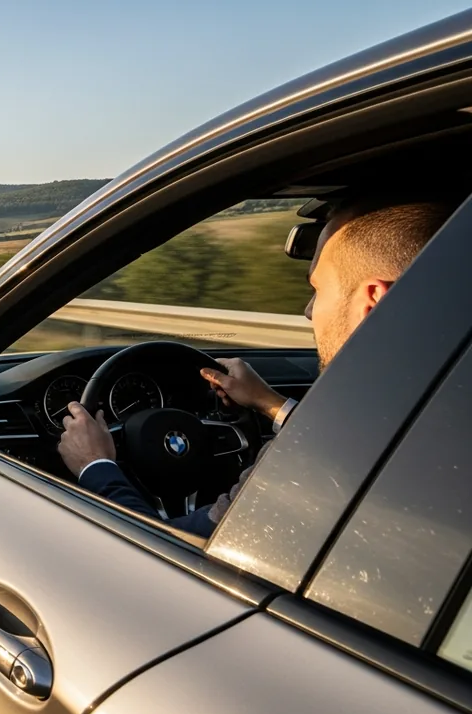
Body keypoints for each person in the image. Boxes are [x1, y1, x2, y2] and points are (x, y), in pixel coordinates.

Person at [57, 188, 462, 536]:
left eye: (319, 289)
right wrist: (269, 403)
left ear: (374, 301)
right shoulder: (433, 402)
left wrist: (97, 465)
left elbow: (173, 551)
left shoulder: (318, 461)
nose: (307, 311)